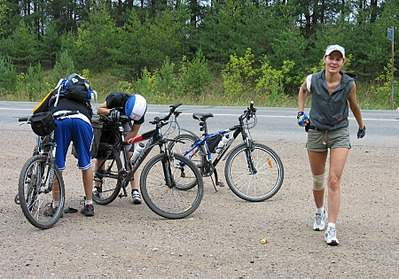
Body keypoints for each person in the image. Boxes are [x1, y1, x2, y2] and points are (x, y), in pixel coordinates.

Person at [297, 44, 366, 246]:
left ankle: (332, 227)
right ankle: (319, 212)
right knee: (318, 180)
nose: (334, 62)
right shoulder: (312, 80)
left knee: (334, 180)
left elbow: (354, 105)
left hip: (339, 132)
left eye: (338, 59)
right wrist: (301, 113)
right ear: (324, 59)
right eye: (331, 58)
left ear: (343, 62)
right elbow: (302, 91)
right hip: (316, 131)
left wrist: (361, 124)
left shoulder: (349, 84)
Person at [50, 74, 95, 217]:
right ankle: (89, 204)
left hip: (61, 119)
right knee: (86, 164)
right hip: (82, 121)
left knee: (58, 165)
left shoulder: (59, 91)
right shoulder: (84, 97)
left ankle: (56, 206)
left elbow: (45, 110)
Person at [95, 92, 147, 204]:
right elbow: (99, 109)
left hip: (124, 124)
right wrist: (110, 111)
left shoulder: (140, 112)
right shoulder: (117, 98)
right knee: (102, 155)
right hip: (108, 123)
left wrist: (123, 143)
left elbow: (134, 131)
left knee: (130, 156)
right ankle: (97, 187)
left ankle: (135, 190)